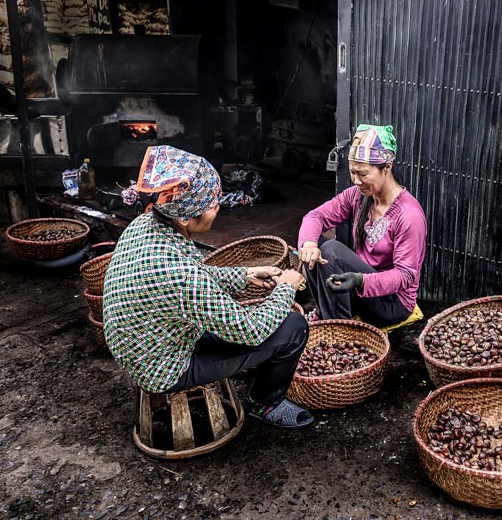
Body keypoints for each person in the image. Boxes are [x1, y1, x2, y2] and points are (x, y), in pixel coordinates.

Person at [103, 145, 314, 428]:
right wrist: (286, 288)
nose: (217, 208)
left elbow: (191, 279)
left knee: (247, 320)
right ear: (185, 216)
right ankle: (265, 403)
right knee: (294, 327)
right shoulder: (181, 275)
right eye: (212, 204)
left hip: (142, 345)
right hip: (165, 367)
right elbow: (249, 331)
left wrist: (244, 275)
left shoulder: (144, 224)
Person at [297, 124, 427, 327]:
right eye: (352, 172)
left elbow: (405, 276)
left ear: (387, 168)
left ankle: (339, 328)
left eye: (363, 174)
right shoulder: (358, 196)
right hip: (359, 287)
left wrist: (360, 280)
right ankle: (325, 313)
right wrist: (308, 244)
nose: (356, 181)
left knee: (331, 250)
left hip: (391, 302)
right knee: (313, 245)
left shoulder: (409, 215)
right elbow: (316, 216)